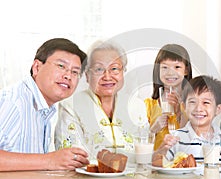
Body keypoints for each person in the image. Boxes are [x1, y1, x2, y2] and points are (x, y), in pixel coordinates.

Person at [0, 38, 89, 171]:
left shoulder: (45, 107)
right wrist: (50, 161)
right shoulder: (13, 102)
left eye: (75, 72)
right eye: (61, 66)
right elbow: (48, 162)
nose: (68, 76)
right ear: (36, 67)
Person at [55, 40, 135, 162]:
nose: (107, 76)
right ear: (87, 75)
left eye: (114, 69)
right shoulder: (71, 106)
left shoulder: (137, 106)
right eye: (99, 69)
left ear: (123, 72)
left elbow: (145, 155)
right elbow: (71, 157)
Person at [155, 75, 221, 162]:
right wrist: (162, 150)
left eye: (206, 102)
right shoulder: (176, 137)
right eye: (192, 102)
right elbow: (158, 164)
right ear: (184, 106)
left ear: (218, 109)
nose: (198, 108)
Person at [145, 44, 193, 150]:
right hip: (157, 163)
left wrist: (179, 111)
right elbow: (140, 144)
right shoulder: (148, 105)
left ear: (186, 70)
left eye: (177, 67)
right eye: (165, 67)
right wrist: (153, 129)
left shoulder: (193, 103)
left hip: (184, 163)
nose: (170, 72)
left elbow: (194, 137)